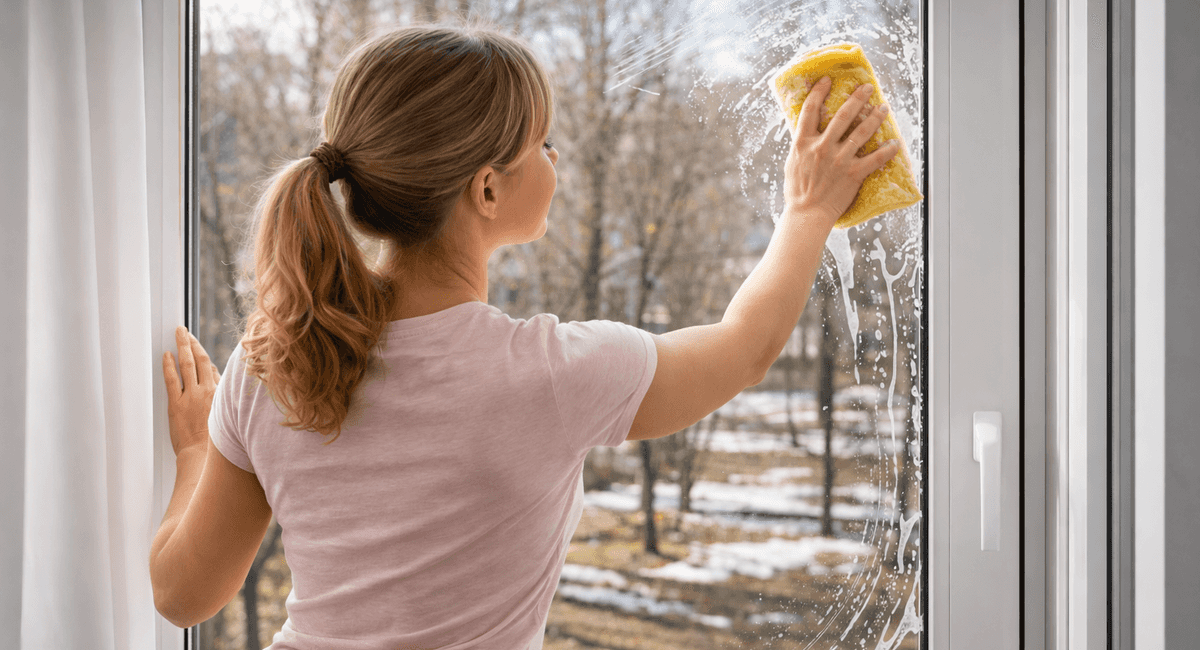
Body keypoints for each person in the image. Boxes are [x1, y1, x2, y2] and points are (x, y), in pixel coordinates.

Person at [149, 22, 898, 650]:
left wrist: (192, 454)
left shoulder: (271, 362)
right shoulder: (550, 376)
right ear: (486, 189)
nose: (557, 159)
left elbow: (183, 595)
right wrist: (807, 210)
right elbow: (746, 347)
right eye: (543, 143)